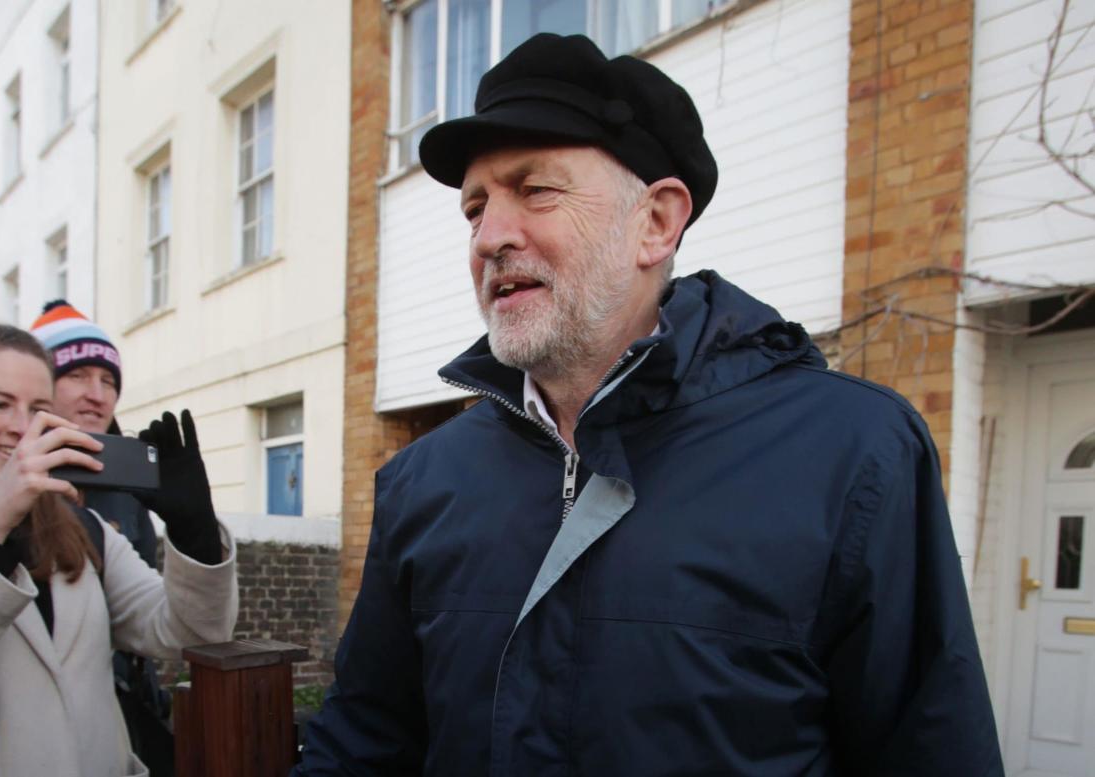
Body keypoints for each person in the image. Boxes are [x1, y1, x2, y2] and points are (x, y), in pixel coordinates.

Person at [295, 33, 1003, 776]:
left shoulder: (854, 452)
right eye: (475, 209)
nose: (490, 237)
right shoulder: (422, 480)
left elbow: (932, 750)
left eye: (535, 189)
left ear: (657, 223)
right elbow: (366, 736)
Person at [0, 323, 237, 776]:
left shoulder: (82, 526)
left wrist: (195, 534)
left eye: (38, 408)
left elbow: (189, 634)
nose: (21, 427)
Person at [29, 299, 174, 774]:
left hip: (125, 708)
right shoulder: (2, 483)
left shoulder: (130, 488)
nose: (97, 394)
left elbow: (151, 604)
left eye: (108, 380)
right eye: (77, 375)